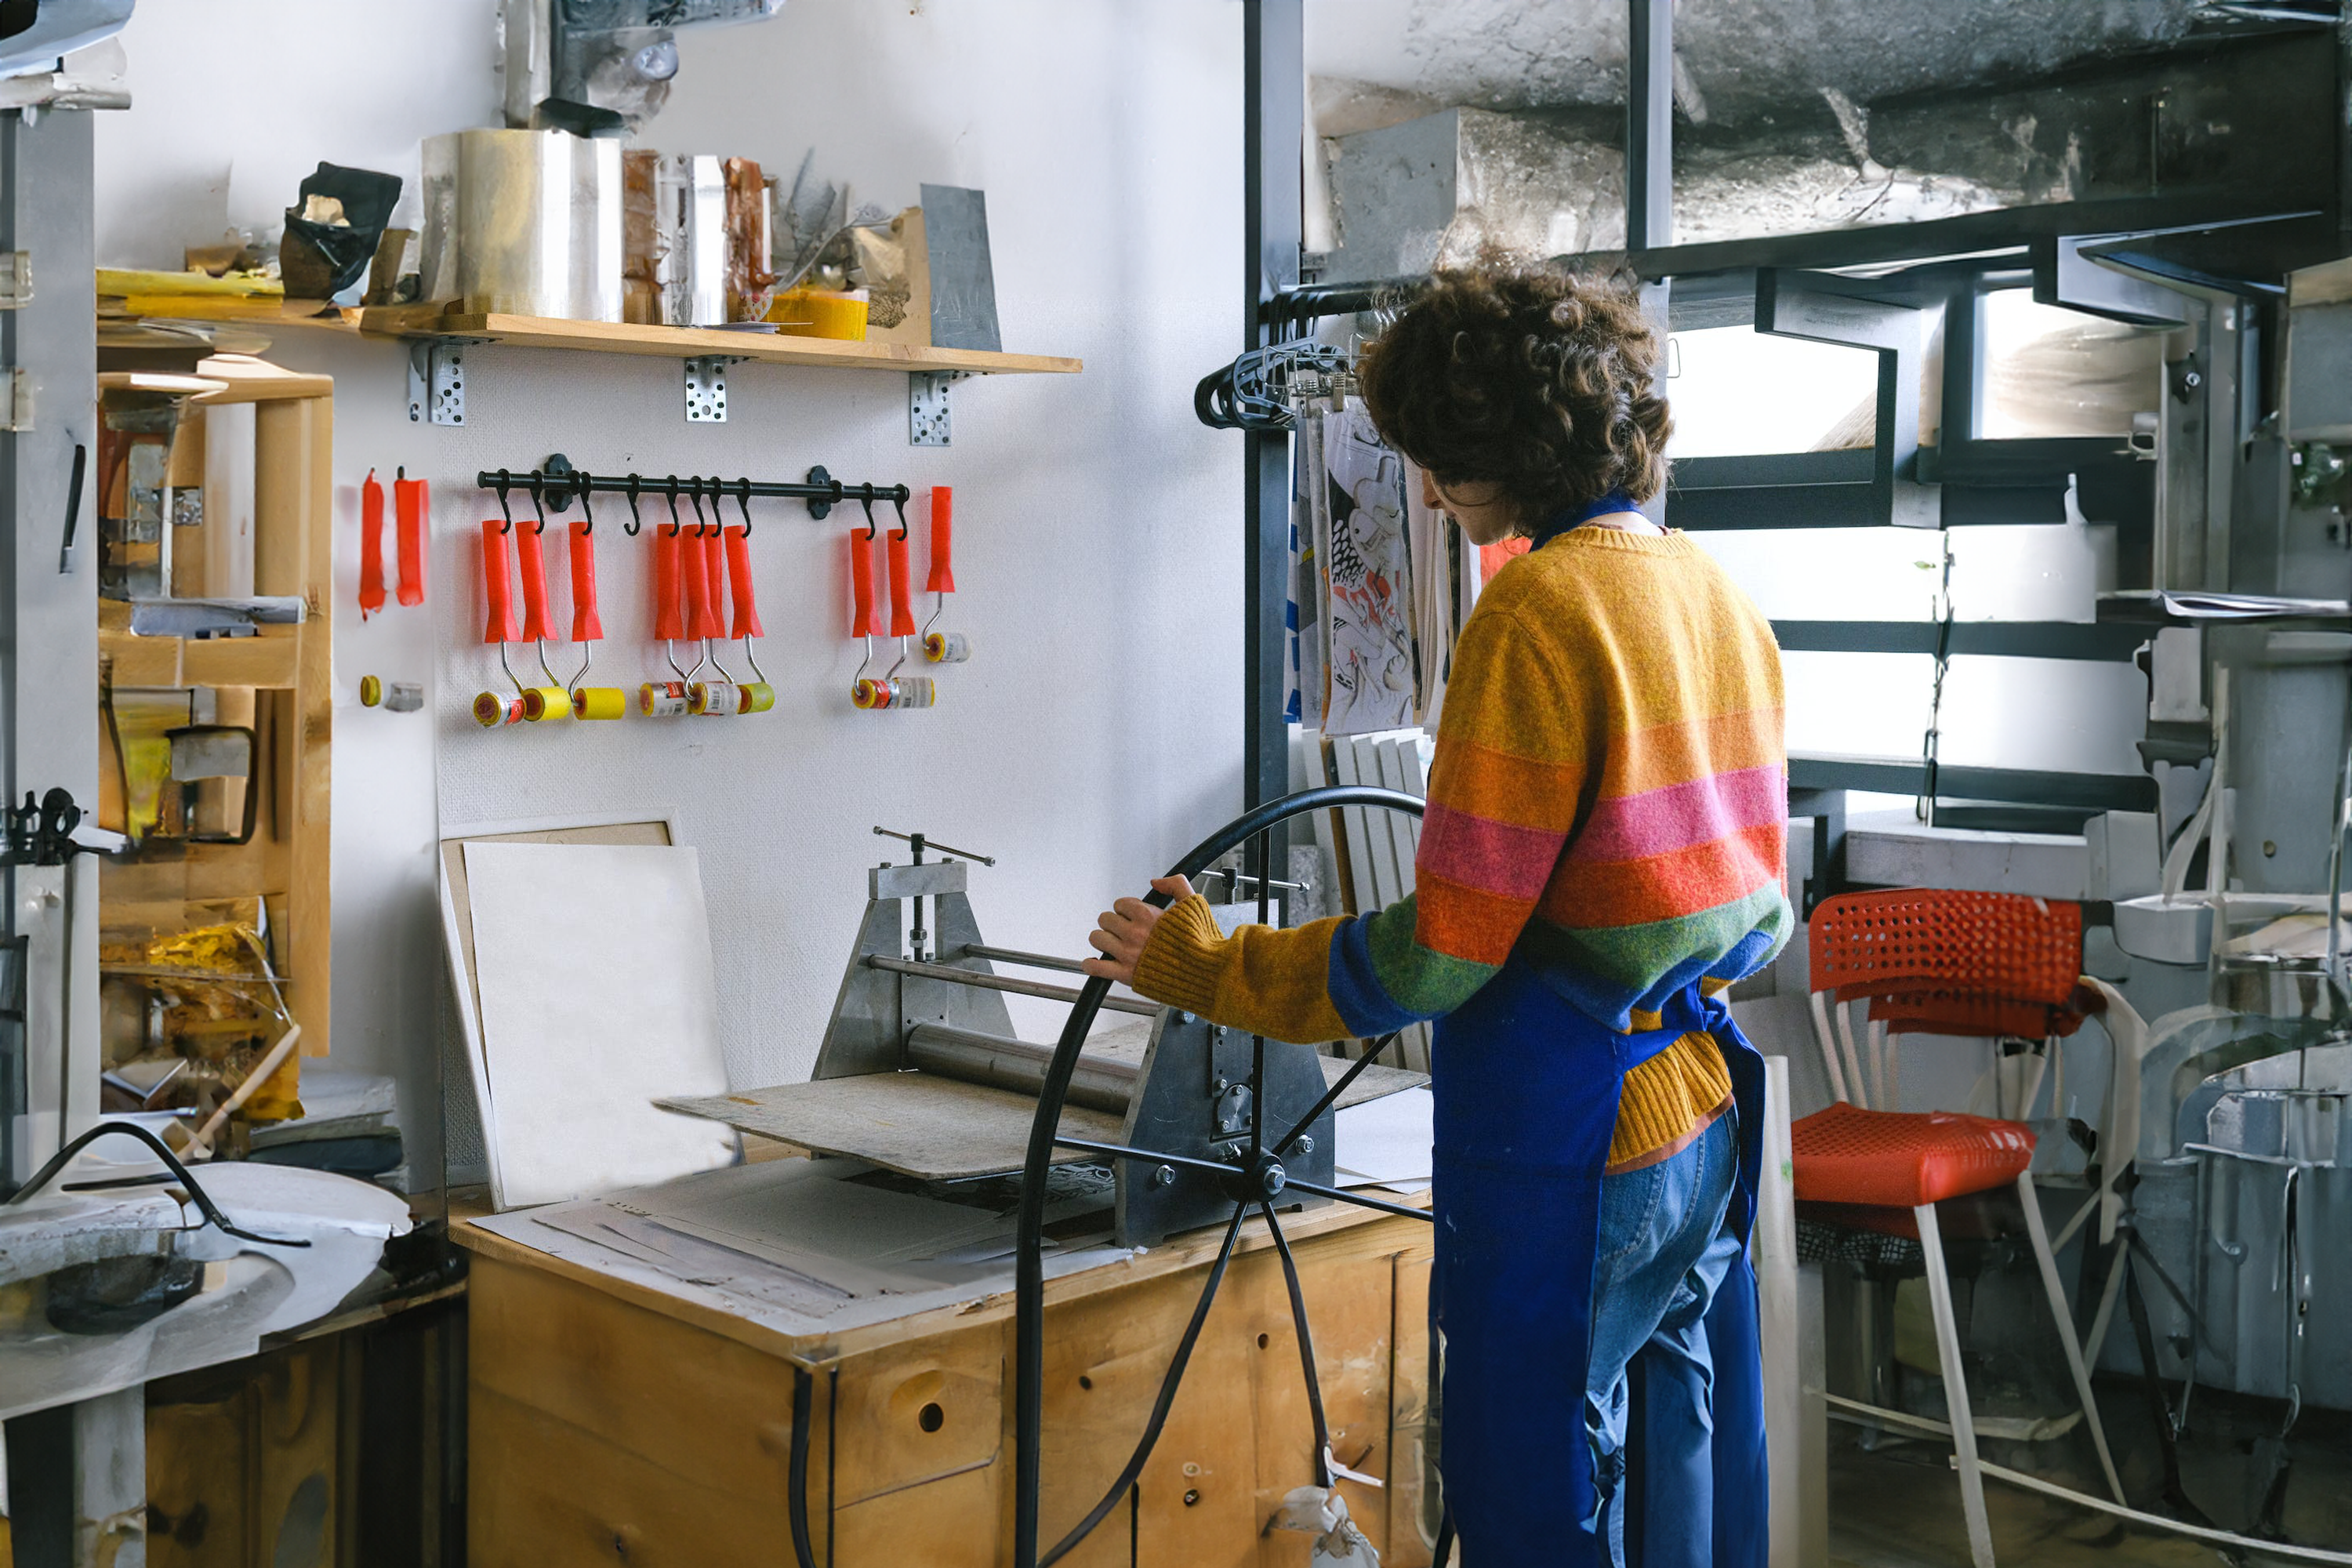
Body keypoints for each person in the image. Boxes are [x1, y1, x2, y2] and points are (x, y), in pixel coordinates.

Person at [1083, 265, 1790, 1566]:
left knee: (1534, 1488)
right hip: (1701, 1111)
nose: (1420, 491)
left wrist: (1216, 967)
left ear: (1504, 451)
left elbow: (1451, 945)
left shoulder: (1536, 606)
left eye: (1436, 462)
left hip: (1586, 1130)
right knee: (1676, 1440)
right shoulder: (1711, 596)